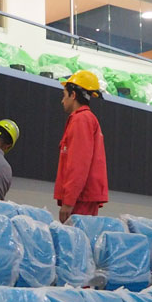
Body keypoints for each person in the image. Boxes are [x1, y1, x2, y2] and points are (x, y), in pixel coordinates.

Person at [55, 70, 108, 223]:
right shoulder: (87, 119)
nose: (62, 101)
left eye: (64, 95)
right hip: (82, 197)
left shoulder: (81, 120)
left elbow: (78, 163)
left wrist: (69, 202)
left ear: (73, 95)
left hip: (80, 200)